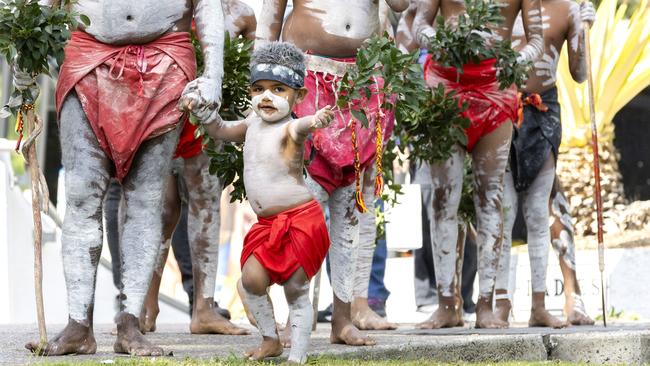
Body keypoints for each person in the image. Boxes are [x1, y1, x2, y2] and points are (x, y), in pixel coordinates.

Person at [18, 0, 225, 356]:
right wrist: (25, 60)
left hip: (166, 65)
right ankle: (78, 324)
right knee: (81, 195)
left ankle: (131, 323)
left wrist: (214, 75)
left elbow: (207, 4)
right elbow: (42, 4)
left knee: (146, 200)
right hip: (87, 61)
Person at [256, 0, 410, 345]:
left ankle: (342, 319)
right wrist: (262, 87)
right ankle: (295, 316)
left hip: (363, 85)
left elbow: (401, 4)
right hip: (307, 80)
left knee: (349, 210)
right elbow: (270, 17)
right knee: (302, 208)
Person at [412, 0, 544, 329]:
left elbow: (537, 39)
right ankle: (447, 304)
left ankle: (485, 305)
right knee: (444, 197)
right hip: (446, 86)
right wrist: (441, 43)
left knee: (491, 195)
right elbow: (419, 25)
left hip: (496, 91)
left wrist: (514, 59)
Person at [203, 42, 334, 364]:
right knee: (251, 282)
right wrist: (203, 112)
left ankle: (298, 356)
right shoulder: (251, 125)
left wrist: (316, 119)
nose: (266, 97)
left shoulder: (291, 128)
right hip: (266, 225)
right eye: (258, 89)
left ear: (298, 96)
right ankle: (270, 339)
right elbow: (219, 131)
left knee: (295, 290)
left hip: (301, 221)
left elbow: (303, 127)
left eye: (279, 89)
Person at [139, 0, 258, 334]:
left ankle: (204, 308)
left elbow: (250, 76)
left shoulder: (242, 15)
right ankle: (145, 302)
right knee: (161, 209)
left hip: (208, 120)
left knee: (206, 207)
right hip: (161, 109)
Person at [494, 1, 596, 327]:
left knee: (542, 207)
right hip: (499, 106)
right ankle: (499, 302)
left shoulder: (565, 8)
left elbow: (579, 75)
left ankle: (557, 300)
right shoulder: (497, 6)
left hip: (543, 111)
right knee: (502, 209)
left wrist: (582, 30)